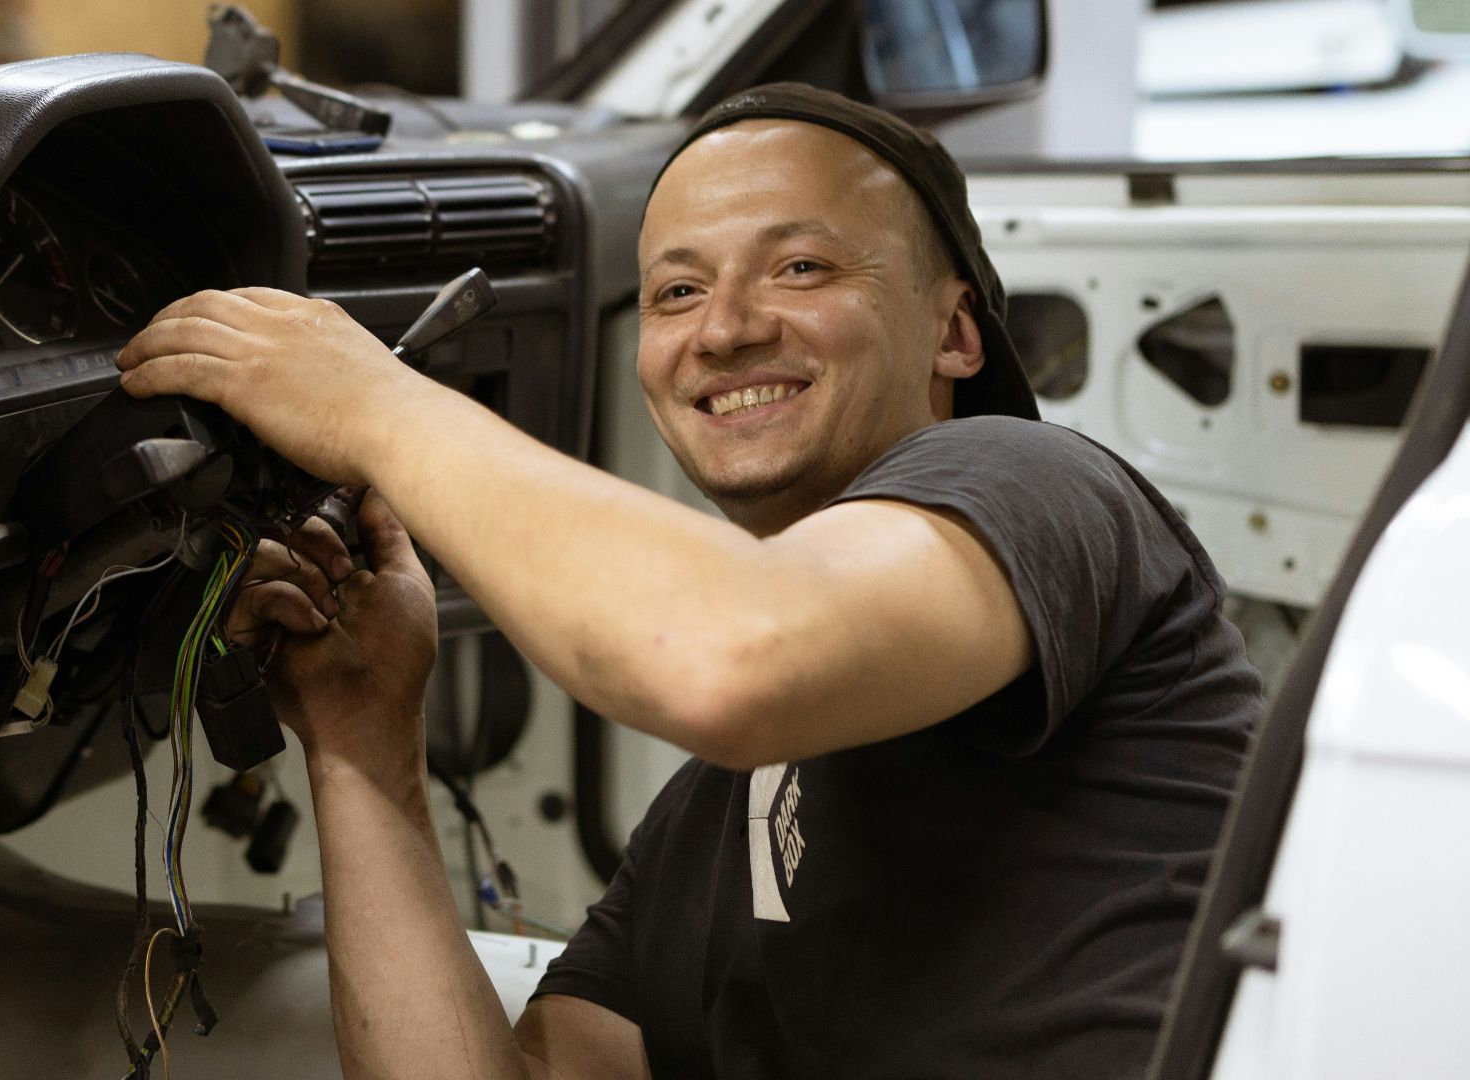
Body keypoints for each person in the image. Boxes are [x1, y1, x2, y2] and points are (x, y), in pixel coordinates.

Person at [116, 83, 1262, 1079]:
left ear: (954, 333)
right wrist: (364, 747)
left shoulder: (1038, 481)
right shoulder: (718, 822)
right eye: (673, 292)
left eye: (801, 266)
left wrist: (369, 405)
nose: (723, 330)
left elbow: (729, 656)